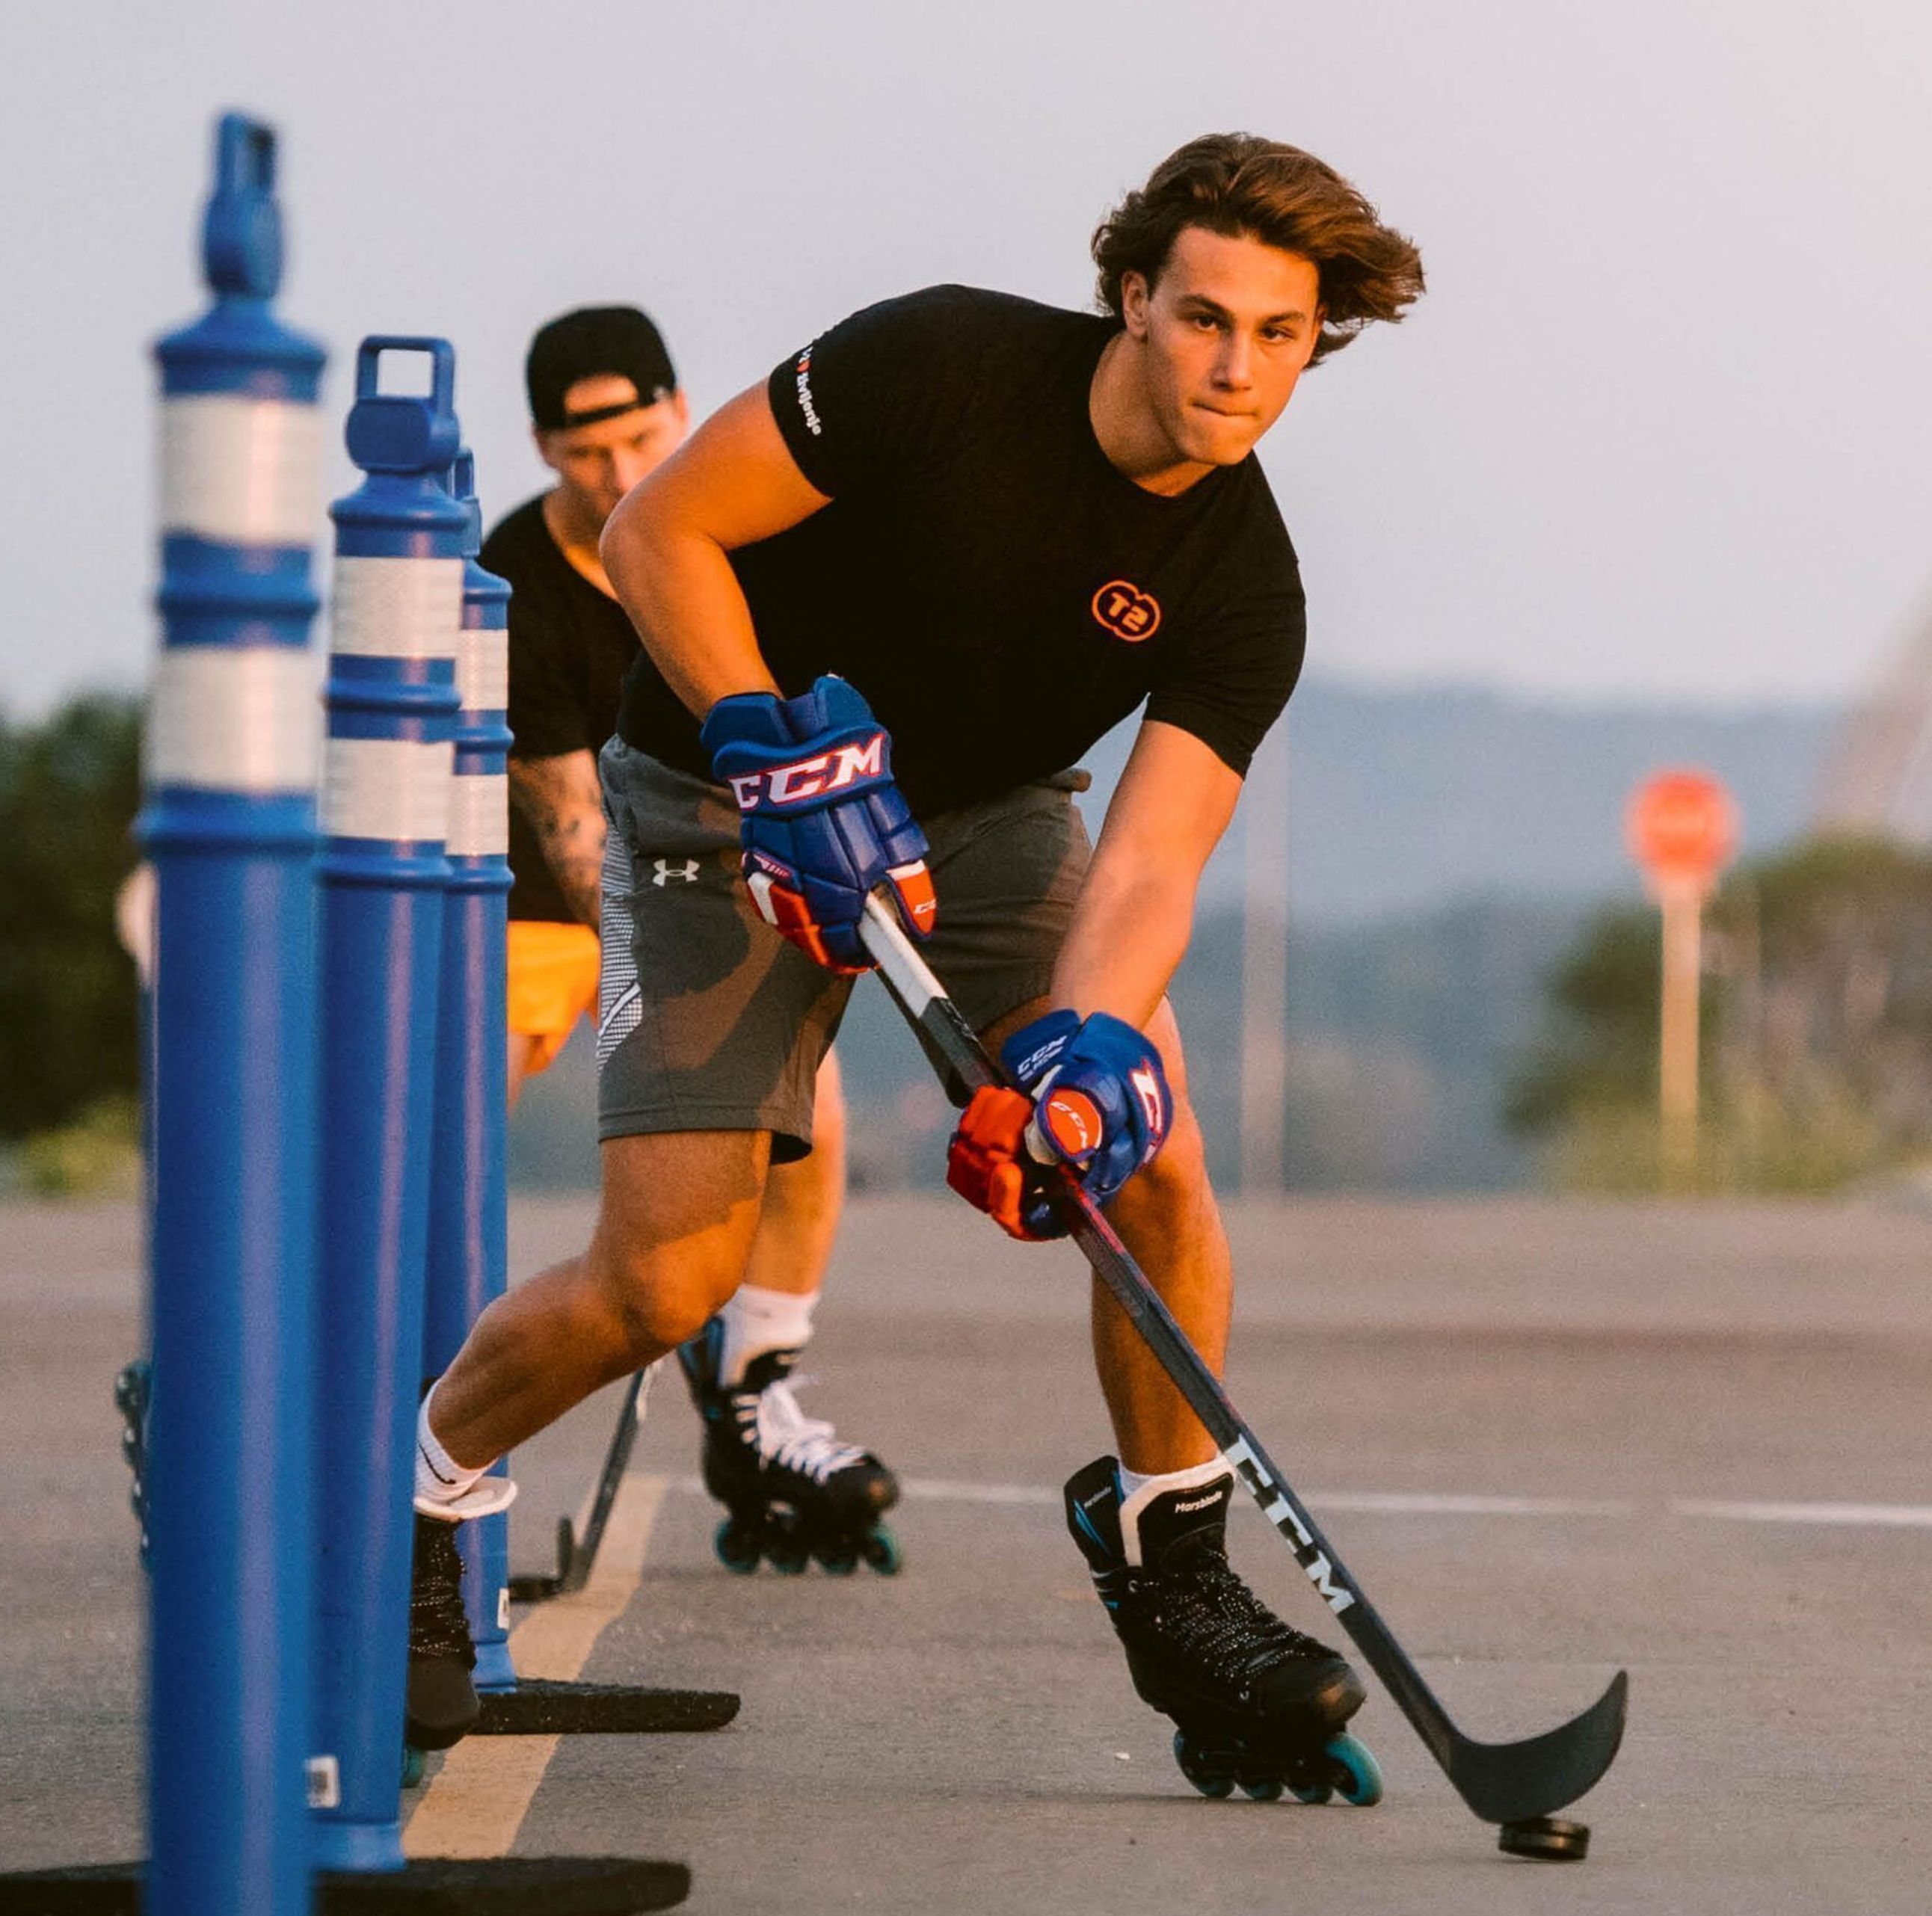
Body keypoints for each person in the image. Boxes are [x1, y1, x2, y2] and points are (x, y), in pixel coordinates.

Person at [410, 136, 1423, 1794]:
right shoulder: (941, 361)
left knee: (1150, 1153)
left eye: (1280, 336)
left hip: (986, 814)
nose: (1237, 368)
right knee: (663, 1285)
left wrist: (1083, 1056)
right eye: (1204, 318)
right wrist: (762, 741)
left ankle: (1175, 1575)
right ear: (1133, 298)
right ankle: (416, 1497)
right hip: (717, 795)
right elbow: (663, 530)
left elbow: (1150, 864)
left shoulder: (1247, 585)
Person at [479, 312, 899, 1577]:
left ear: (679, 411)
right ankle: (383, 1396)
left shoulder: (735, 522)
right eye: (585, 452)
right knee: (446, 1119)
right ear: (545, 449)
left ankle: (755, 1391)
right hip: (530, 899)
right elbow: (573, 833)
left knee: (809, 1107)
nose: (619, 473)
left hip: (721, 869)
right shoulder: (518, 580)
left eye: (640, 438)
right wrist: (673, 1021)